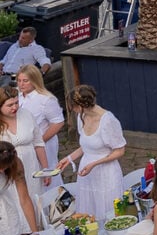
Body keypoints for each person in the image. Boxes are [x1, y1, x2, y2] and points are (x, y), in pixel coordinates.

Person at [56, 85, 125, 219]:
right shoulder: (82, 116)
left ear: (81, 105)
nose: (74, 111)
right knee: (88, 213)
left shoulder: (108, 121)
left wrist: (95, 164)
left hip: (106, 173)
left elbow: (120, 151)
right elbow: (87, 146)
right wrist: (69, 158)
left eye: (74, 107)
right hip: (87, 174)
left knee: (107, 213)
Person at [15, 65, 64, 184]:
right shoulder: (16, 96)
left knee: (47, 170)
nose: (21, 84)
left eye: (25, 81)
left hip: (44, 143)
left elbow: (58, 122)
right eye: (19, 80)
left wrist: (40, 141)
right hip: (24, 142)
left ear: (34, 80)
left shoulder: (45, 100)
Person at [0, 86, 50, 194]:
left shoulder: (26, 114)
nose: (15, 107)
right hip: (8, 171)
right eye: (10, 105)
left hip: (31, 166)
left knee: (34, 199)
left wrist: (46, 169)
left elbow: (38, 143)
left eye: (16, 103)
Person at [0, 142, 47, 235]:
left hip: (7, 209)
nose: (2, 171)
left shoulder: (16, 163)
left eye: (5, 168)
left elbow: (24, 199)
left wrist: (35, 233)